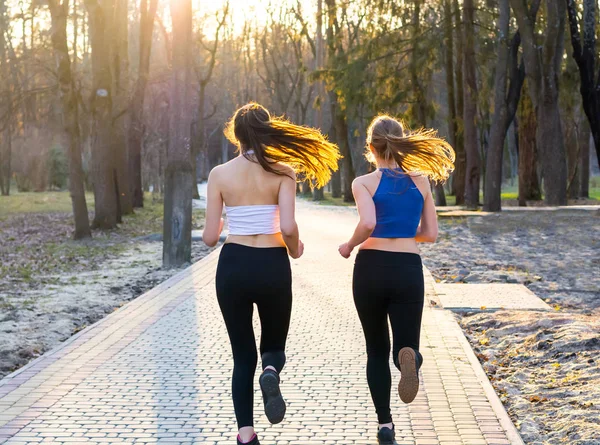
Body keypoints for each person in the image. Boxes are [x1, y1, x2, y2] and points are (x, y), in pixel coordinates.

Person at [202, 102, 340, 445]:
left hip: (232, 265)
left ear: (236, 135)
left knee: (241, 354)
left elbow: (208, 238)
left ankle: (246, 435)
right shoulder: (283, 172)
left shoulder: (219, 174)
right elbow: (289, 225)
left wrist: (225, 221)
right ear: (267, 131)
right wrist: (294, 249)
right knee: (273, 344)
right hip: (271, 264)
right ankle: (271, 372)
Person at [338, 115, 455, 445]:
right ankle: (411, 358)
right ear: (401, 143)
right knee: (406, 344)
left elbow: (368, 223)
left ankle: (385, 425)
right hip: (407, 268)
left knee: (375, 350)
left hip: (371, 267)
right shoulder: (421, 182)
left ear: (371, 148)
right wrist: (406, 232)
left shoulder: (363, 182)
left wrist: (348, 245)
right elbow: (431, 234)